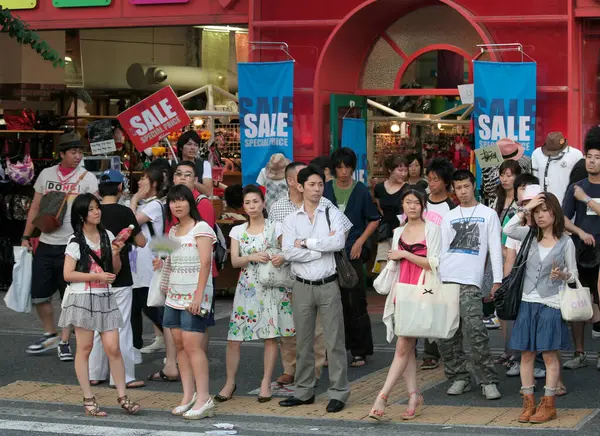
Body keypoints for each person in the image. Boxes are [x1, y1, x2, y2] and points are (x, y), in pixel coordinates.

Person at [269, 161, 351, 386]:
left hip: (328, 283)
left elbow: (338, 241)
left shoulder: (330, 211)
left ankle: (338, 391)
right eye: (312, 184)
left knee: (333, 340)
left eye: (320, 184)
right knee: (302, 340)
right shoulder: (289, 217)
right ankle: (303, 390)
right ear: (299, 186)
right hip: (300, 283)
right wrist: (316, 252)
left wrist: (306, 243)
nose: (317, 189)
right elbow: (287, 250)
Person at [59, 193, 141, 416]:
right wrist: (95, 278)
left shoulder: (108, 235)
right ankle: (88, 398)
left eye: (98, 207)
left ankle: (123, 396)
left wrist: (115, 253)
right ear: (82, 215)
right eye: (92, 209)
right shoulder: (75, 240)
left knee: (113, 347)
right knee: (84, 348)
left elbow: (114, 270)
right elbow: (68, 274)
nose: (97, 211)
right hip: (83, 298)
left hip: (104, 296)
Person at [22, 131, 98, 360]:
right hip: (46, 242)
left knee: (71, 296)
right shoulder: (46, 174)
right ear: (62, 154)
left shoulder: (88, 178)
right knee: (39, 293)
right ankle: (50, 333)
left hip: (73, 245)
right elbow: (35, 207)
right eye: (73, 152)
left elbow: (94, 212)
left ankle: (68, 339)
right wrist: (26, 236)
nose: (77, 156)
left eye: (80, 152)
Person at [215, 185, 294, 403]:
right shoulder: (237, 231)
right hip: (247, 288)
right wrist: (252, 257)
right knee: (234, 338)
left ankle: (265, 382)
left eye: (255, 201)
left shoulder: (275, 227)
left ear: (262, 203)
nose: (251, 206)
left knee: (270, 337)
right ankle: (229, 383)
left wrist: (275, 255)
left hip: (271, 287)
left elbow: (286, 251)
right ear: (243, 206)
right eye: (247, 203)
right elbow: (235, 261)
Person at [504, 191, 576, 424]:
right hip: (527, 300)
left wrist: (562, 274)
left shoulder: (566, 242)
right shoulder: (528, 235)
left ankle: (549, 404)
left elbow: (573, 275)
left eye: (545, 210)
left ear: (555, 213)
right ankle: (528, 402)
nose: (542, 215)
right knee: (526, 354)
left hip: (551, 302)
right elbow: (507, 229)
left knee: (548, 355)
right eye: (538, 212)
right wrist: (527, 207)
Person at [368, 189, 440, 421]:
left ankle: (383, 396)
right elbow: (394, 262)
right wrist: (395, 257)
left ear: (422, 206)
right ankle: (413, 396)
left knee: (402, 346)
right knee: (406, 347)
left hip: (423, 290)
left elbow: (434, 263)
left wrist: (404, 255)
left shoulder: (433, 230)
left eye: (416, 203)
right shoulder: (398, 231)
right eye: (407, 202)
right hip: (402, 291)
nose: (412, 207)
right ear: (402, 205)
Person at [437, 170, 502, 400]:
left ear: (473, 185)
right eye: (458, 188)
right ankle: (458, 376)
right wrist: (436, 280)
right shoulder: (448, 216)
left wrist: (497, 280)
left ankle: (487, 379)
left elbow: (495, 249)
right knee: (447, 333)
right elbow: (441, 250)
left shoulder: (488, 214)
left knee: (476, 330)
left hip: (471, 282)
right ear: (453, 189)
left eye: (466, 186)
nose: (463, 192)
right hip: (446, 278)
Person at [154, 185, 216, 419]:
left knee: (193, 346)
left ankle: (204, 398)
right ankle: (188, 395)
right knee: (179, 345)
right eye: (172, 201)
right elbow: (166, 260)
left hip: (194, 295)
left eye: (181, 200)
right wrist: (159, 263)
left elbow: (205, 263)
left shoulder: (201, 228)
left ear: (190, 202)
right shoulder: (172, 231)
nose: (177, 205)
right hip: (174, 294)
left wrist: (199, 296)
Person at [88, 170, 147, 389]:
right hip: (119, 276)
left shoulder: (93, 213)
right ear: (120, 188)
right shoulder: (124, 213)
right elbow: (141, 242)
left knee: (97, 325)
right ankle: (123, 377)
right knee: (121, 326)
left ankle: (95, 373)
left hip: (94, 276)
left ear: (100, 190)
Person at [324, 147, 380, 367]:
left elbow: (374, 219)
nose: (343, 171)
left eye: (347, 167)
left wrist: (359, 241)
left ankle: (360, 351)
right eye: (339, 167)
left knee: (355, 302)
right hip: (327, 253)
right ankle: (332, 350)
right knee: (330, 304)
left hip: (351, 253)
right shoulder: (326, 189)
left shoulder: (360, 191)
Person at [562, 126, 600, 370]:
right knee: (578, 300)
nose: (593, 161)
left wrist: (586, 199)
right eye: (590, 157)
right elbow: (563, 218)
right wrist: (580, 232)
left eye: (598, 158)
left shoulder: (581, 191)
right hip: (580, 251)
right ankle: (579, 352)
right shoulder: (575, 186)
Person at [420, 158, 456, 371]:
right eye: (430, 179)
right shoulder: (421, 201)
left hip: (442, 263)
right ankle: (428, 350)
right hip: (419, 260)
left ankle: (439, 350)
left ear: (445, 182)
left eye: (436, 180)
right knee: (423, 303)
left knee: (439, 306)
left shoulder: (451, 206)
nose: (432, 183)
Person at [129, 168, 167, 366]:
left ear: (153, 184)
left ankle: (173, 344)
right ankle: (135, 347)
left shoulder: (154, 206)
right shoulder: (146, 204)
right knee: (136, 305)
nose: (140, 182)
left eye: (144, 179)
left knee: (148, 306)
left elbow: (131, 222)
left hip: (148, 262)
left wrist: (134, 198)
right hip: (138, 262)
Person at [373, 156, 411, 272]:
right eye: (400, 170)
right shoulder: (379, 188)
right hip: (384, 232)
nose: (403, 173)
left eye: (405, 170)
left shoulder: (407, 189)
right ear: (390, 170)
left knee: (399, 267)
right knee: (384, 266)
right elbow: (380, 208)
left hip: (402, 233)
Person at [532, 132, 583, 205]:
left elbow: (580, 181)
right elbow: (534, 179)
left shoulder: (576, 154)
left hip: (567, 203)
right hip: (542, 203)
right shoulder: (537, 153)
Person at [177, 130, 213, 197]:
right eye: (189, 144)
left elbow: (208, 192)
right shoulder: (173, 164)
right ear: (181, 147)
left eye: (196, 145)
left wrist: (192, 181)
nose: (193, 148)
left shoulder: (204, 165)